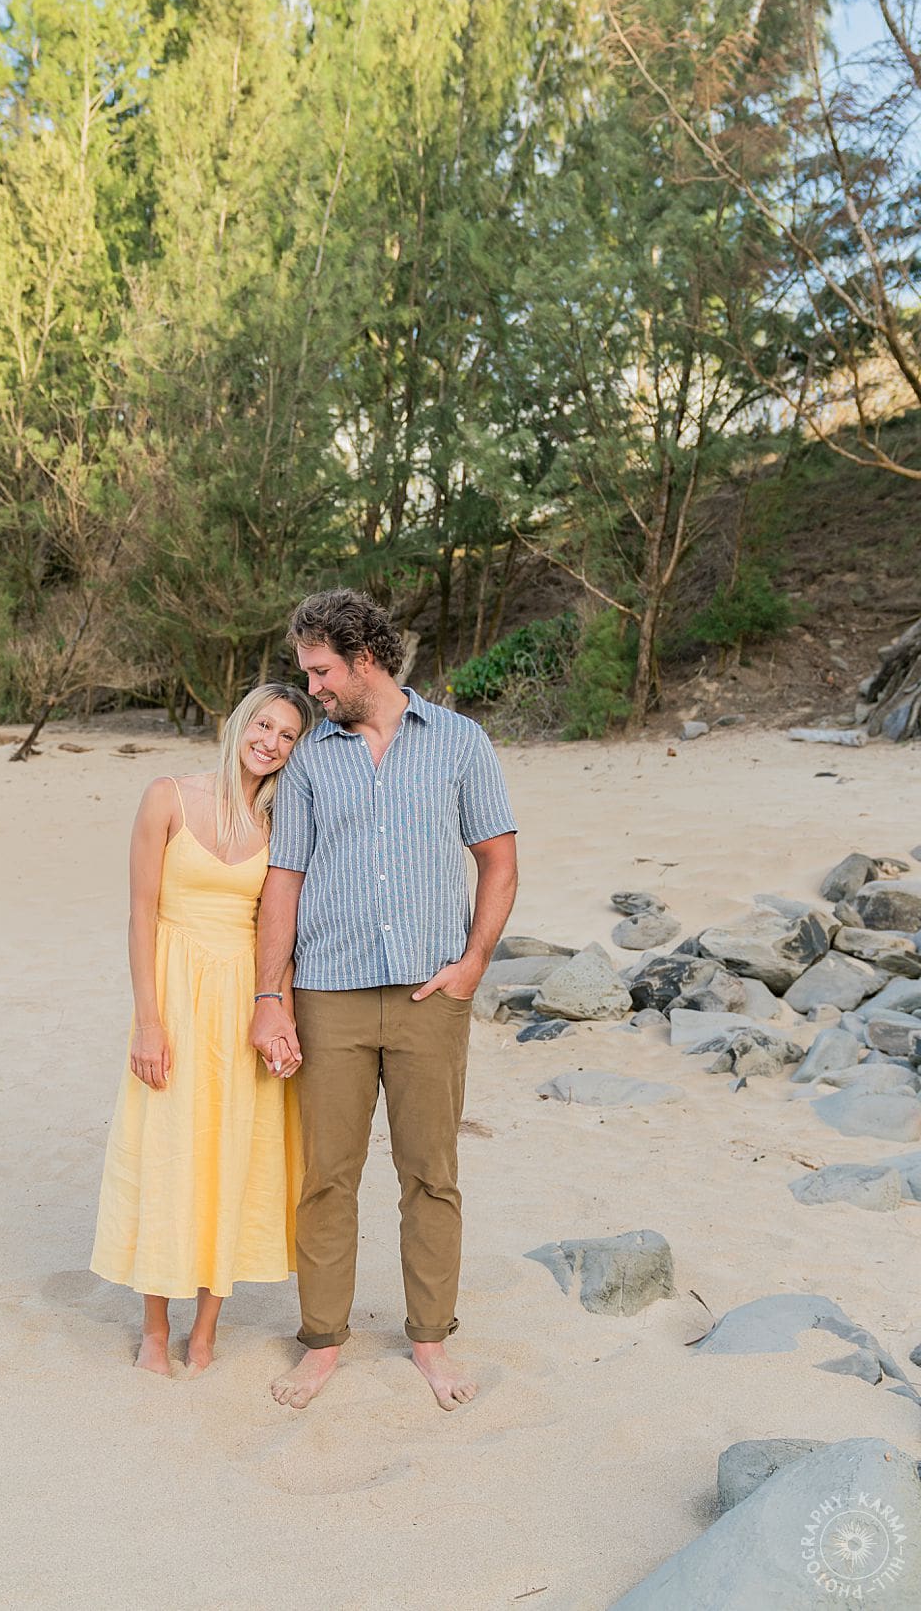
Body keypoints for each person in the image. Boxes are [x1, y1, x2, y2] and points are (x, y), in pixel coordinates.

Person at [252, 590, 518, 1411]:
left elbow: (499, 862)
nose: (312, 687)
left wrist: (474, 963)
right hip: (326, 994)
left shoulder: (461, 743)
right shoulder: (308, 759)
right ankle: (322, 1342)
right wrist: (272, 996)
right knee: (326, 1176)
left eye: (321, 670)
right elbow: (283, 883)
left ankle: (430, 1338)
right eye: (306, 671)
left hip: (429, 993)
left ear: (365, 658)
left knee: (429, 1173)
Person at [90, 682, 314, 1376]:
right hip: (175, 997)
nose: (270, 742)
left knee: (232, 1158)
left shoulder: (282, 824)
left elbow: (286, 930)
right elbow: (141, 915)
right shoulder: (167, 796)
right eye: (263, 724)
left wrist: (280, 1017)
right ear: (239, 722)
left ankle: (208, 1327)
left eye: (287, 736)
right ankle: (155, 1327)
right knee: (168, 1155)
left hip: (245, 1002)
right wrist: (148, 1023)